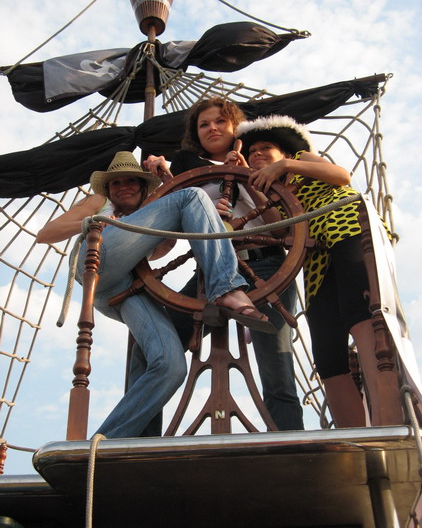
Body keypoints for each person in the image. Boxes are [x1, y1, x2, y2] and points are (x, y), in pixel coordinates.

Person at [36, 150, 275, 439]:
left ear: (143, 186)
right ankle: (227, 288)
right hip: (98, 260)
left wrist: (207, 216)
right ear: (107, 189)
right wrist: (92, 222)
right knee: (193, 196)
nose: (123, 187)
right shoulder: (99, 202)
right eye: (116, 183)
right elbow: (45, 233)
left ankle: (107, 443)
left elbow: (164, 247)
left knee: (170, 367)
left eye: (131, 181)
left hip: (123, 288)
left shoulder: (152, 212)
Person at [145, 98, 304, 431]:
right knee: (152, 350)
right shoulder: (188, 171)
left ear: (235, 127)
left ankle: (290, 445)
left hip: (264, 266)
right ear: (196, 134)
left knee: (276, 367)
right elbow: (172, 214)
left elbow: (281, 228)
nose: (212, 128)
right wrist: (161, 178)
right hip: (211, 270)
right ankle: (138, 441)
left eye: (220, 121)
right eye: (204, 124)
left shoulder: (259, 163)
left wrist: (247, 175)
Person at [232, 114, 391, 428]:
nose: (257, 153)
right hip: (316, 260)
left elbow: (341, 176)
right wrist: (251, 183)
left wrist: (286, 165)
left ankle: (388, 421)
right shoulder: (274, 192)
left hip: (348, 230)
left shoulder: (301, 160)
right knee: (326, 351)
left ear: (284, 153)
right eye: (252, 151)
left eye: (265, 148)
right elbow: (280, 229)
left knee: (361, 320)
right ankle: (352, 435)